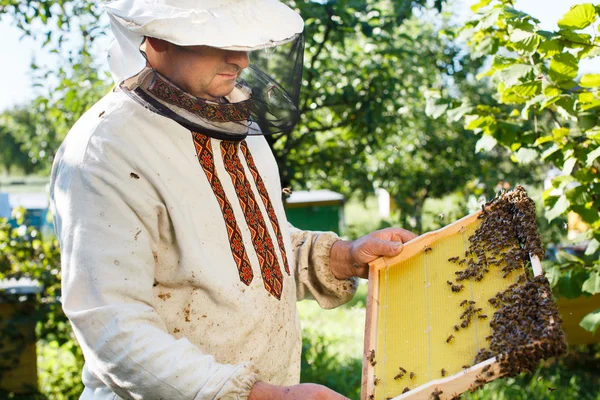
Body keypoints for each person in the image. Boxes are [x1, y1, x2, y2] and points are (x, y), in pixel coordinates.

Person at [49, 1, 417, 399]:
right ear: (156, 36)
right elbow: (113, 329)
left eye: (243, 39)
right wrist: (265, 396)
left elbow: (253, 250)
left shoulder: (232, 120)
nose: (241, 58)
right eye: (218, 38)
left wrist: (345, 256)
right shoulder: (106, 150)